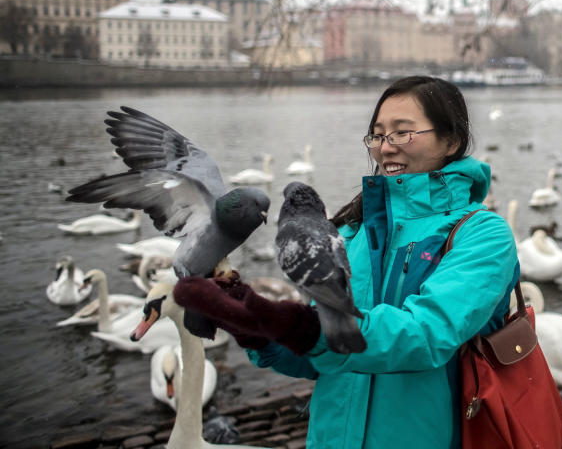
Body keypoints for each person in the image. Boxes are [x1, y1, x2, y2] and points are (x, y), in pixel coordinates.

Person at [176, 75, 520, 448]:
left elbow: (428, 334)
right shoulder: (352, 233)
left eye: (402, 133)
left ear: (451, 140)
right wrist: (258, 328)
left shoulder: (483, 235)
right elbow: (318, 359)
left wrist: (311, 329)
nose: (385, 147)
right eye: (377, 135)